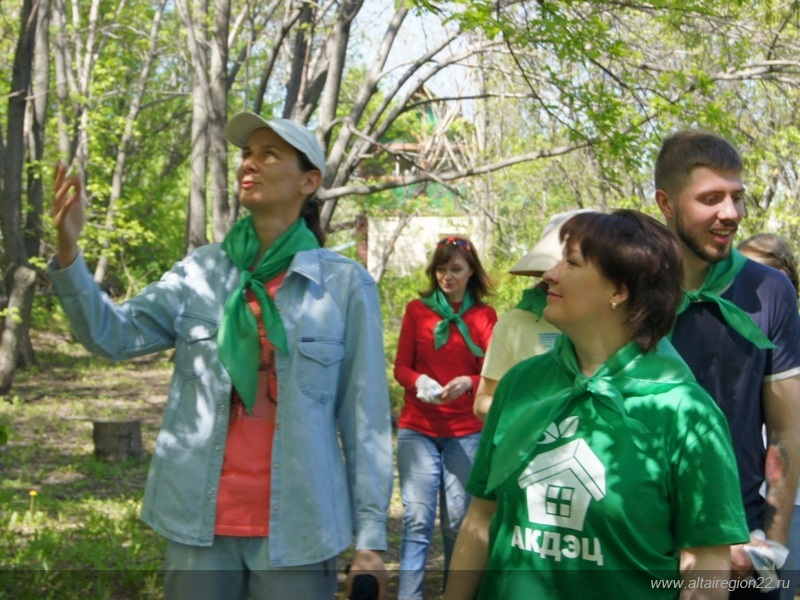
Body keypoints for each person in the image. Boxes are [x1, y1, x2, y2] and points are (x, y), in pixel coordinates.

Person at [49, 112, 393, 600]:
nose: (249, 165)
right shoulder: (201, 271)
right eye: (246, 154)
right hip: (198, 522)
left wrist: (371, 539)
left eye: (269, 154)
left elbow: (366, 418)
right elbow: (114, 334)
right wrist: (69, 250)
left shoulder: (343, 285)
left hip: (299, 526)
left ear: (309, 181)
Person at [445, 210, 749, 599]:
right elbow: (481, 518)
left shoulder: (687, 415)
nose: (549, 275)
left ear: (619, 291)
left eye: (571, 262)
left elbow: (706, 562)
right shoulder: (520, 385)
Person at [655, 130, 800, 598]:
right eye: (711, 198)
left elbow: (788, 429)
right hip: (643, 543)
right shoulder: (633, 286)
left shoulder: (771, 291)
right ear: (666, 203)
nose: (731, 213)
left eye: (737, 197)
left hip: (741, 548)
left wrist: (771, 546)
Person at [393, 236, 497, 600]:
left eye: (455, 269)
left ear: (471, 272)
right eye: (441, 268)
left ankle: (456, 594)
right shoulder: (417, 310)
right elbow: (402, 367)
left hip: (466, 431)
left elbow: (490, 373)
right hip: (418, 429)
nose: (447, 276)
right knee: (416, 521)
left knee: (458, 523)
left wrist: (468, 383)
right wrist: (419, 380)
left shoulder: (485, 317)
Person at [473, 211, 588, 420]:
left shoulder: (612, 323)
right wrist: (527, 412)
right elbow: (483, 401)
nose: (553, 276)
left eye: (572, 264)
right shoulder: (514, 324)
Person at [738, 233, 800, 600]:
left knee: (778, 589)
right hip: (745, 505)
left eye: (763, 275)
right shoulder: (729, 330)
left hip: (791, 505)